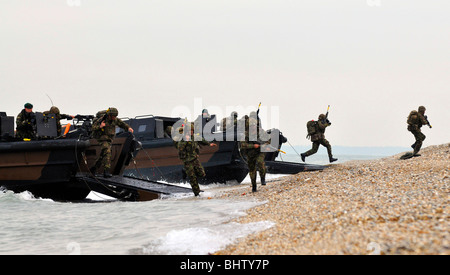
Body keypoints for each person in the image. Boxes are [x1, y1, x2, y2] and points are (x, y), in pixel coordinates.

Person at [174, 122, 217, 196]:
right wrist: (186, 141)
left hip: (194, 159)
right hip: (187, 161)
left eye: (192, 130)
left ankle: (191, 174)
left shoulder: (194, 136)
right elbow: (180, 148)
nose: (191, 132)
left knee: (202, 173)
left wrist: (209, 144)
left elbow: (201, 140)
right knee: (192, 178)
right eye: (190, 130)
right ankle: (197, 193)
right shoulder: (183, 138)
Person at [90, 108, 134, 178]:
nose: (114, 118)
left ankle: (94, 168)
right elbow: (92, 128)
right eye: (113, 116)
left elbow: (122, 124)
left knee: (103, 155)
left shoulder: (115, 120)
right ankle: (106, 171)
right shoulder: (102, 120)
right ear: (109, 115)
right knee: (107, 152)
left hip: (109, 139)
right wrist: (100, 126)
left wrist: (128, 128)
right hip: (102, 138)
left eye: (115, 116)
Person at [239, 117, 268, 192]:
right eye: (251, 126)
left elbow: (268, 139)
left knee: (260, 162)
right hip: (250, 153)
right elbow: (242, 145)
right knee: (252, 170)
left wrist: (265, 145)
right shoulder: (245, 134)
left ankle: (262, 178)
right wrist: (252, 146)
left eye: (254, 125)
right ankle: (254, 186)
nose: (253, 127)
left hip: (260, 151)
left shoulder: (261, 132)